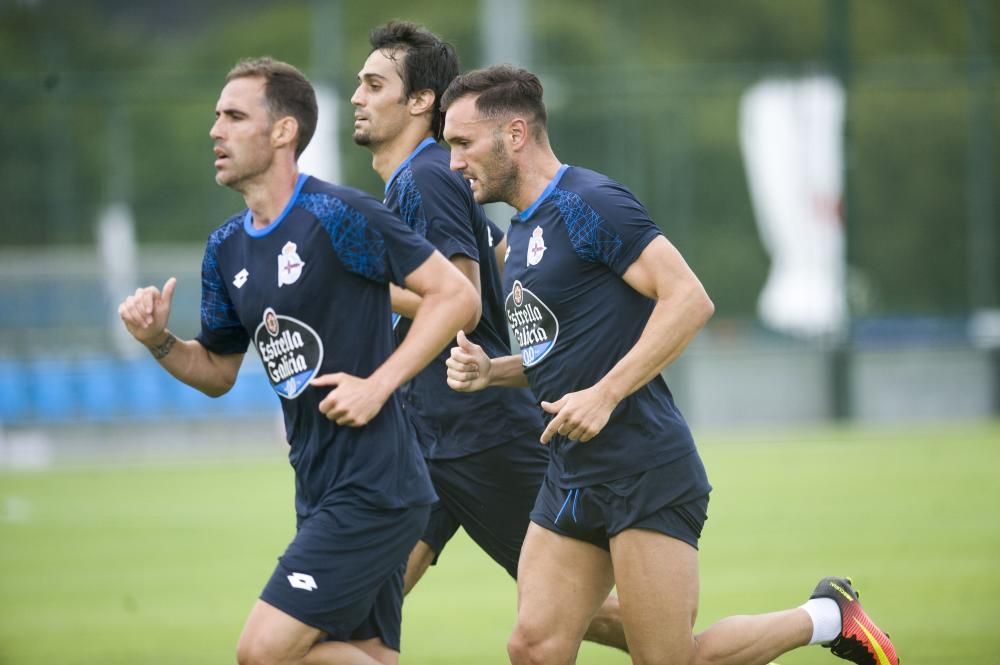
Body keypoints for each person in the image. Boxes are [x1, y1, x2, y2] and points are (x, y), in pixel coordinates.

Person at [442, 65, 900, 665]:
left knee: (670, 660)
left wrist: (604, 395)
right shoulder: (523, 231)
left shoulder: (589, 203)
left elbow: (689, 299)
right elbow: (568, 346)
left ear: (517, 134)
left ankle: (824, 617)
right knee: (532, 645)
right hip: (571, 473)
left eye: (463, 142)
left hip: (643, 469)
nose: (454, 163)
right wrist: (493, 371)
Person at [118, 57, 479, 665]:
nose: (216, 131)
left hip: (376, 486)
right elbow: (216, 372)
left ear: (284, 131)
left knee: (263, 652)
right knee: (360, 652)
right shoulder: (226, 247)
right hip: (316, 483)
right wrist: (159, 341)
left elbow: (458, 297)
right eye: (216, 117)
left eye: (234, 116)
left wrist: (380, 384)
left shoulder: (341, 215)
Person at [350, 21, 627, 653]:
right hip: (432, 435)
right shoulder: (426, 176)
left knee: (586, 623)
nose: (357, 97)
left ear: (421, 100)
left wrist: (352, 281)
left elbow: (461, 299)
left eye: (373, 84)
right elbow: (492, 258)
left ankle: (815, 621)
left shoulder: (424, 177)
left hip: (481, 437)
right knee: (365, 600)